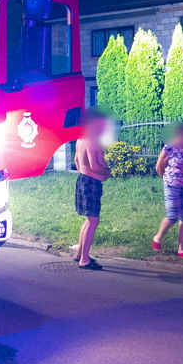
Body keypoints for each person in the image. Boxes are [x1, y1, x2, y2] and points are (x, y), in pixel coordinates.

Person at [152, 123, 183, 258]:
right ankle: (158, 237)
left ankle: (181, 249)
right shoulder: (169, 148)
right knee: (172, 215)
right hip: (172, 185)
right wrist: (168, 179)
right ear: (179, 134)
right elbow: (159, 167)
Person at [73, 109, 111, 270]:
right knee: (93, 220)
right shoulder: (94, 141)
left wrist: (84, 172)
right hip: (92, 183)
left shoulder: (80, 140)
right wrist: (108, 172)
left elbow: (76, 160)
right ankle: (84, 260)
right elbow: (96, 165)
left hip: (82, 180)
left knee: (89, 219)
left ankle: (79, 254)